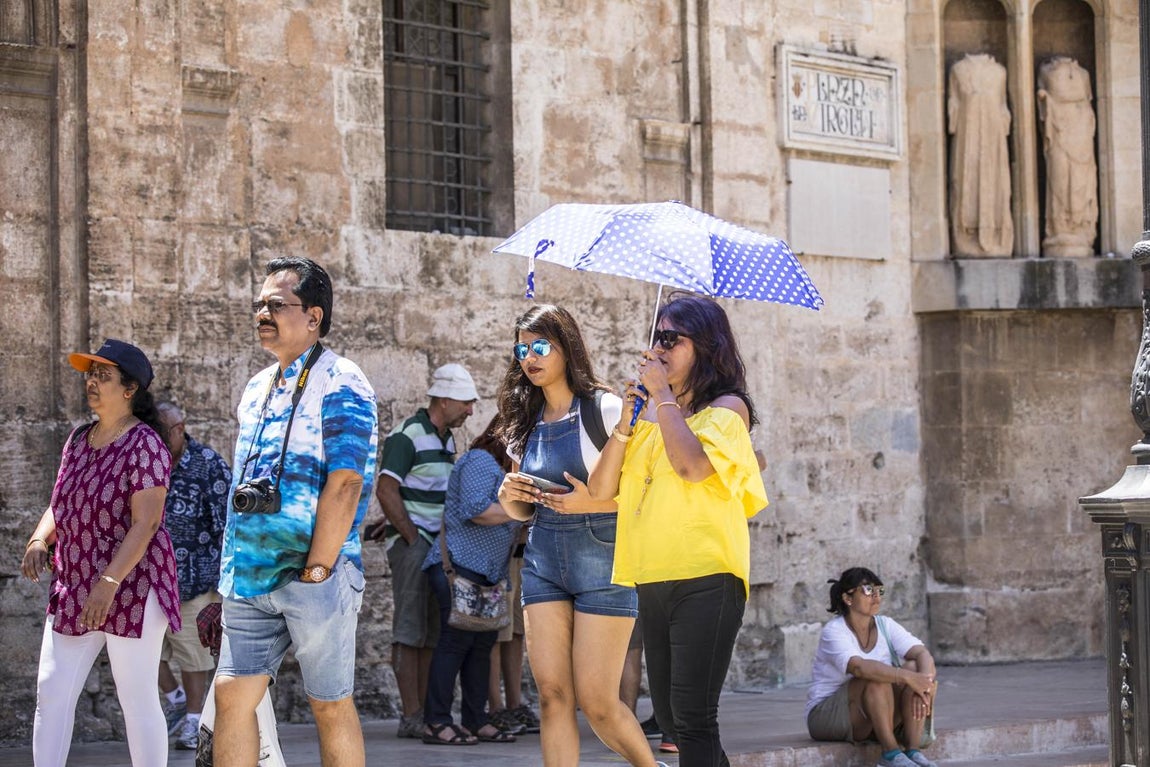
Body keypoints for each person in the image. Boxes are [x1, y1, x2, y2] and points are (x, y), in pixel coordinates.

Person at [588, 293, 769, 767]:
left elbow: (690, 466)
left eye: (672, 338)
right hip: (651, 576)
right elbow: (602, 489)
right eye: (656, 337)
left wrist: (664, 398)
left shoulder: (728, 410)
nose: (660, 347)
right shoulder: (652, 418)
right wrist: (627, 423)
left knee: (693, 717)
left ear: (705, 347)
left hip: (707, 575)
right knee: (670, 717)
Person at [213, 257, 378, 767]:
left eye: (276, 305)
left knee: (328, 705)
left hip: (315, 574)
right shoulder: (257, 387)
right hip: (251, 577)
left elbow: (347, 481)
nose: (263, 313)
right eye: (259, 305)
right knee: (231, 696)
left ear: (313, 317)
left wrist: (320, 568)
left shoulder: (343, 379)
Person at [495, 303, 664, 767]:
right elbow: (519, 511)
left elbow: (648, 497)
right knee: (551, 696)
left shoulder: (607, 410)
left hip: (604, 562)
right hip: (543, 560)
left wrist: (593, 503)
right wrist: (510, 490)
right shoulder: (521, 422)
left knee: (600, 705)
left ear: (566, 348)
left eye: (540, 346)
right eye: (522, 348)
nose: (529, 357)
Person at [21, 338, 180, 767]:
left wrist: (108, 583)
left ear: (129, 389)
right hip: (74, 583)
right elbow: (61, 502)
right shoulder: (77, 439)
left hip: (132, 586)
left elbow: (145, 523)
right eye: (90, 374)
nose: (91, 382)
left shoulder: (145, 444)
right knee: (51, 692)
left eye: (102, 375)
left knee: (136, 697)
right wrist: (40, 539)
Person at [365, 362, 478, 738]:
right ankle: (411, 714)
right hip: (418, 548)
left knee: (431, 631)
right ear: (444, 400)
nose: (470, 411)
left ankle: (426, 713)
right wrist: (412, 537)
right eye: (465, 403)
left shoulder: (446, 438)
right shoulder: (408, 435)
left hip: (437, 550)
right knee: (410, 629)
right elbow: (385, 489)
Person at [420, 417, 522, 745]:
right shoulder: (481, 460)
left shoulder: (505, 474)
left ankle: (476, 720)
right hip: (459, 567)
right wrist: (523, 510)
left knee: (481, 647)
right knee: (455, 644)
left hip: (488, 575)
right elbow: (476, 509)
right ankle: (436, 722)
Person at [155, 401, 232, 751]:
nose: (156, 438)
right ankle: (174, 698)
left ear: (179, 428)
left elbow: (228, 521)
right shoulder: (148, 462)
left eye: (162, 431)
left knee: (193, 655)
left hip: (195, 577)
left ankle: (193, 720)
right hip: (151, 578)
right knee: (144, 651)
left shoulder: (208, 464)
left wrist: (221, 576)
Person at [806, 567, 940, 767]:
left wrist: (925, 684)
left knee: (914, 667)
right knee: (876, 678)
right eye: (868, 590)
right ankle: (890, 753)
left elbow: (922, 653)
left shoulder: (885, 625)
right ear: (848, 598)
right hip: (827, 716)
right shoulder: (834, 631)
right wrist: (908, 678)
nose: (876, 596)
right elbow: (859, 668)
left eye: (879, 590)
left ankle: (912, 751)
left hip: (871, 712)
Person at [486, 523, 539, 736]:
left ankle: (514, 704)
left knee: (517, 632)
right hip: (499, 549)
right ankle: (496, 707)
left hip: (524, 550)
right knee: (498, 633)